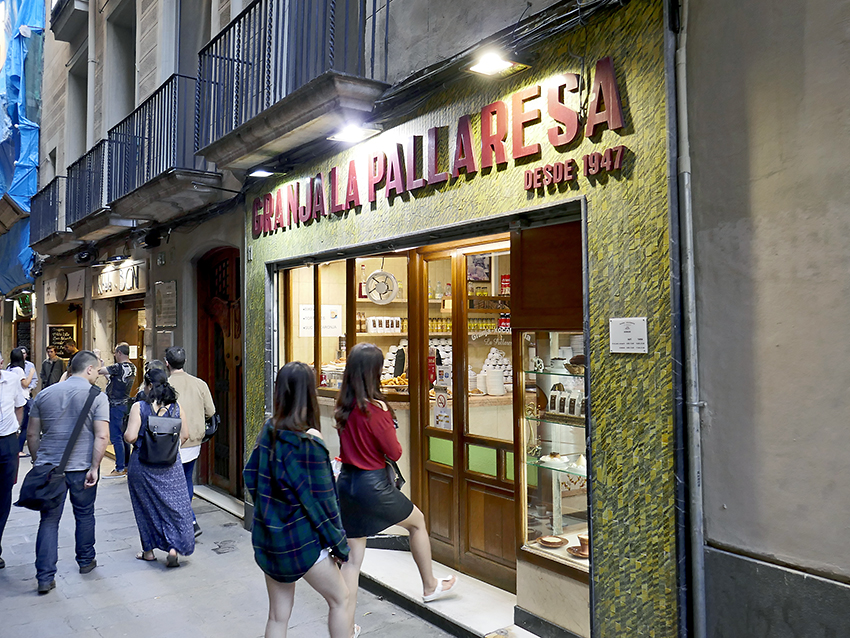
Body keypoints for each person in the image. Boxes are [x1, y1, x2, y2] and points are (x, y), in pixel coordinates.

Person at [334, 343, 457, 630]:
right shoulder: (376, 410)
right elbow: (395, 451)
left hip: (347, 485)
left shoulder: (344, 405)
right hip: (374, 485)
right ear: (373, 372)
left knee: (352, 562)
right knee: (417, 522)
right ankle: (429, 586)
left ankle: (346, 628)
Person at [244, 362, 350, 638]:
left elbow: (250, 475)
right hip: (303, 542)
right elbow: (326, 504)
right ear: (309, 394)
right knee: (341, 599)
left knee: (278, 616)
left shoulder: (269, 431)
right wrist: (340, 546)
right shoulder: (310, 442)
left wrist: (271, 512)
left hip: (270, 539)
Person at [26, 350, 110, 594]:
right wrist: (95, 466)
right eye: (97, 369)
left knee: (49, 521)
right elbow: (102, 435)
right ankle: (85, 561)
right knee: (84, 514)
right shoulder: (97, 397)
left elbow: (32, 434)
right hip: (82, 467)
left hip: (50, 468)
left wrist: (37, 460)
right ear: (89, 369)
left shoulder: (44, 394)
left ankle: (44, 576)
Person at [124, 368, 194, 567]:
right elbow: (185, 435)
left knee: (144, 507)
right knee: (173, 508)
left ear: (148, 385)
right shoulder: (176, 407)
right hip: (171, 466)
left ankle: (148, 552)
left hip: (142, 465)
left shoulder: (140, 407)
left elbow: (130, 437)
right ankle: (173, 548)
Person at [164, 346, 216, 537]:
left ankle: (188, 520)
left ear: (166, 363)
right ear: (184, 361)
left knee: (172, 483)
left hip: (170, 442)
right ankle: (189, 519)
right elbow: (211, 411)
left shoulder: (165, 385)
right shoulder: (199, 384)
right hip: (194, 441)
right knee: (186, 479)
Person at [0, 351, 27, 570]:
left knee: (4, 492)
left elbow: (20, 405)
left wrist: (16, 428)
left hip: (7, 442)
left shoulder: (11, 380)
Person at [99, 343, 136, 477]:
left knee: (116, 437)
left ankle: (119, 468)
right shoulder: (133, 367)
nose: (114, 355)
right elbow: (116, 381)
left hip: (115, 405)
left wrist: (98, 359)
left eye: (115, 353)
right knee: (124, 436)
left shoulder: (117, 367)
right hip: (125, 404)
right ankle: (126, 465)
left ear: (119, 353)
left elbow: (99, 371)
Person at [8, 348, 35, 454]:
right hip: (23, 398)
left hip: (14, 398)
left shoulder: (9, 368)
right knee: (25, 425)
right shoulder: (19, 370)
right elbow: (25, 384)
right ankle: (19, 449)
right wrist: (31, 373)